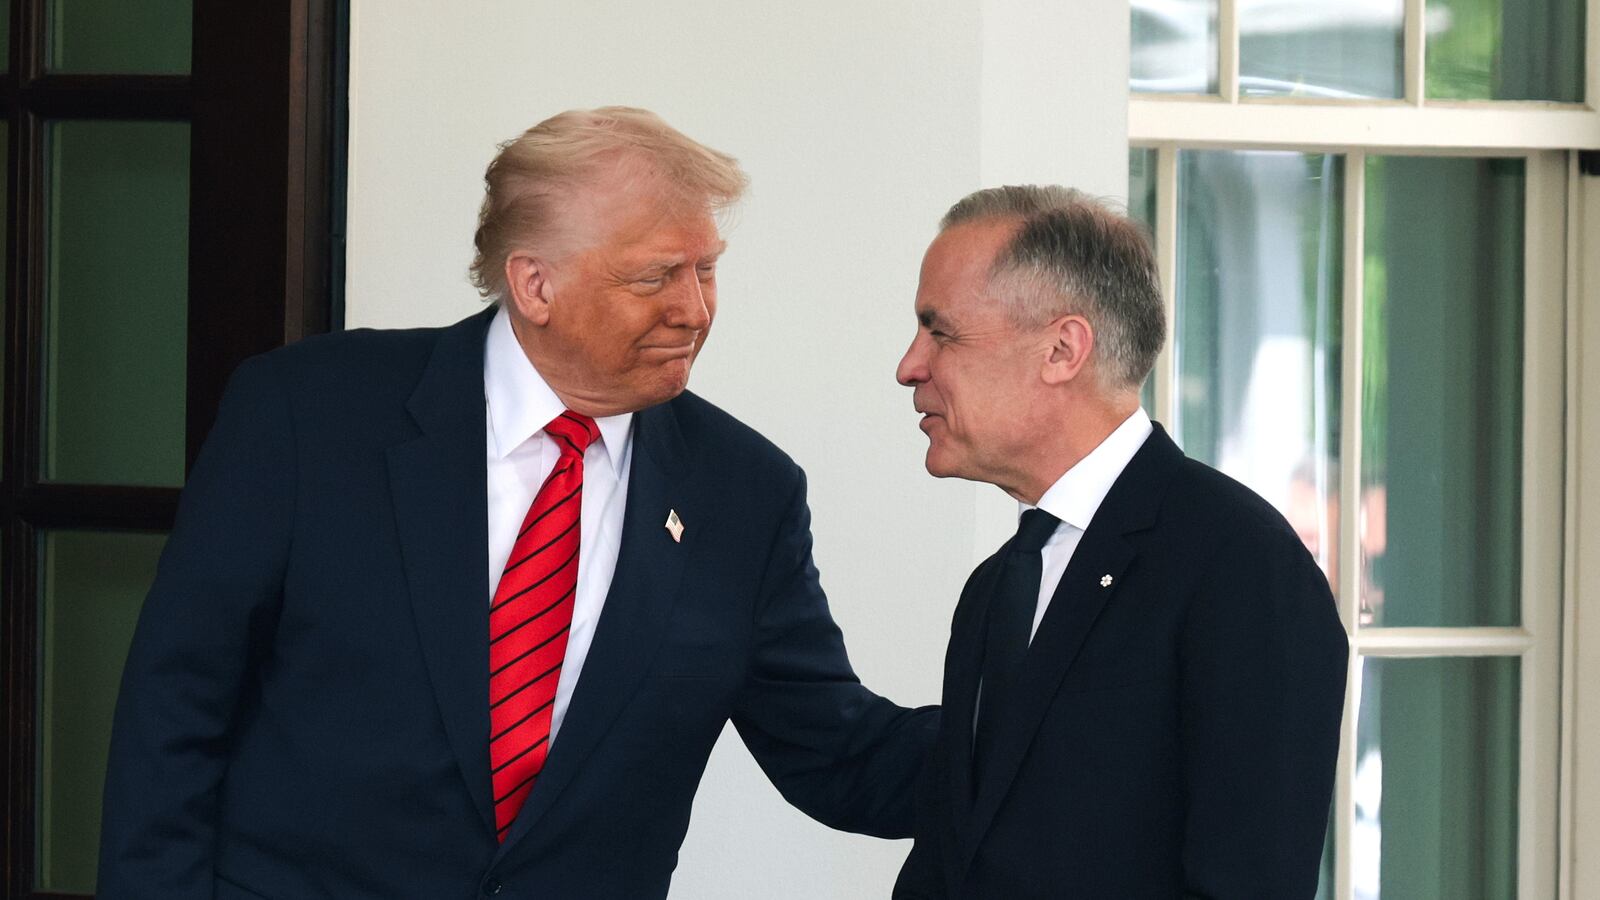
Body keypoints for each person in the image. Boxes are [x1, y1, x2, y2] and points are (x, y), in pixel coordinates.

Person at [98, 107, 936, 900]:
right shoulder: (308, 415)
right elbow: (174, 709)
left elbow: (839, 753)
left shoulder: (744, 492)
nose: (695, 309)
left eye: (706, 268)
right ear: (534, 285)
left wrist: (1044, 713)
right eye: (655, 276)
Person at [890, 185, 1347, 899]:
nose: (910, 365)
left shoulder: (1240, 567)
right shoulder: (999, 583)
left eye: (940, 331)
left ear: (1062, 349)